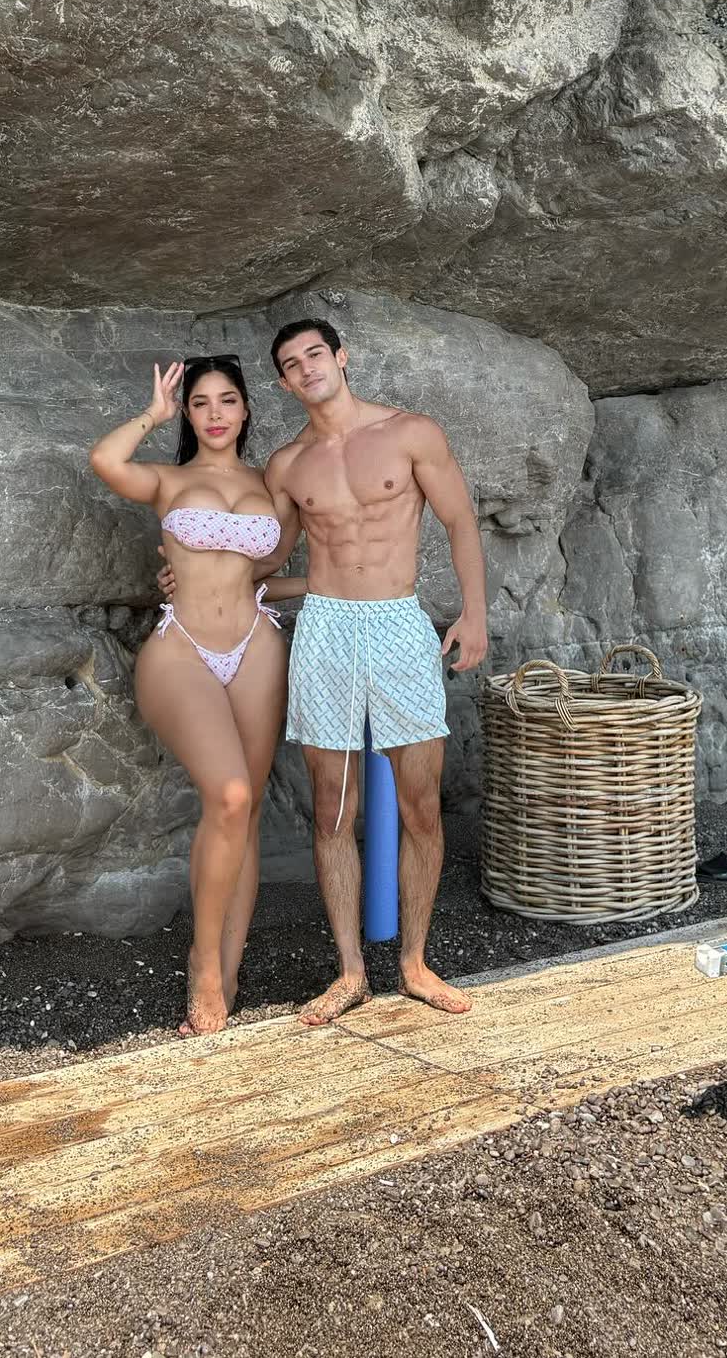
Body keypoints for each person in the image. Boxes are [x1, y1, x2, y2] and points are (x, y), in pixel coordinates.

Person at [162, 319, 488, 1026]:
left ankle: (414, 963)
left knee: (420, 805)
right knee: (332, 807)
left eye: (315, 353)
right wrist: (194, 571)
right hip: (326, 629)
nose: (306, 367)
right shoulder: (287, 465)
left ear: (340, 357)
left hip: (397, 623)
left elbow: (460, 520)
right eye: (291, 363)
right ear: (283, 383)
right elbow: (269, 556)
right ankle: (349, 973)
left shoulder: (411, 433)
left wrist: (473, 614)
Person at [90, 355, 297, 1037]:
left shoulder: (273, 483)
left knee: (247, 812)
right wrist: (151, 414)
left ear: (245, 410)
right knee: (229, 796)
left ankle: (229, 971)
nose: (214, 413)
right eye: (200, 402)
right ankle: (203, 965)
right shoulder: (169, 480)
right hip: (182, 648)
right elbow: (105, 460)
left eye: (227, 400)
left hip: (256, 644)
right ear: (187, 413)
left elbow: (266, 571)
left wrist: (322, 585)